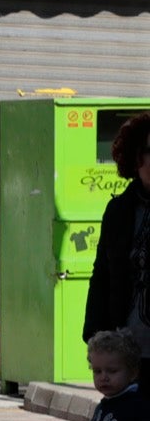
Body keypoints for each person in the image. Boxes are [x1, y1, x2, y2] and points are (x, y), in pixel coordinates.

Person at [84, 112, 150, 368]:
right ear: (135, 158)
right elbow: (102, 275)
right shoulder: (119, 211)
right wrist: (94, 335)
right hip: (127, 353)